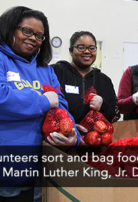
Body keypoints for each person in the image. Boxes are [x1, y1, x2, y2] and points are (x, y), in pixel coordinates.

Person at [0, 6, 80, 201]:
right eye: (26, 31)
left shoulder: (45, 70)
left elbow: (60, 106)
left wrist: (73, 136)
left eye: (39, 35)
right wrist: (42, 101)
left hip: (38, 167)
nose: (33, 38)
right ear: (10, 28)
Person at [51, 31, 120, 139]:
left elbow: (114, 115)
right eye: (81, 47)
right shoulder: (57, 71)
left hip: (95, 142)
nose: (87, 51)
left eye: (92, 48)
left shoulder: (104, 80)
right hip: (62, 139)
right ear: (70, 51)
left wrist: (103, 105)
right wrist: (69, 128)